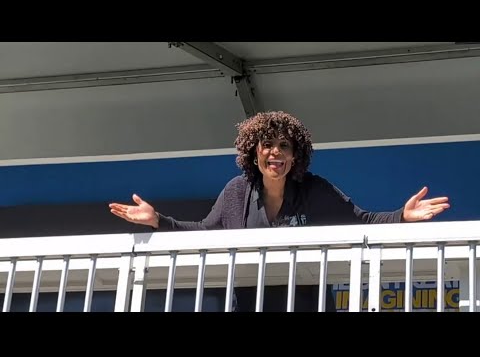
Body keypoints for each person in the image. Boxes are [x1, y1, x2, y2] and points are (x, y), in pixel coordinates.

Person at [109, 111, 450, 311]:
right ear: (253, 153)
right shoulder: (237, 192)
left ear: (295, 155)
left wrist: (402, 217)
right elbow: (205, 233)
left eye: (284, 146)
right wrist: (158, 221)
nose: (275, 153)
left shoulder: (314, 189)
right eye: (267, 145)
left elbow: (361, 220)